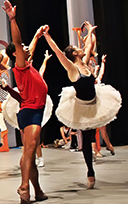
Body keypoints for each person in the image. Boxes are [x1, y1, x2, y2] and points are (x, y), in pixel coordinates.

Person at [42, 23, 121, 189]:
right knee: (86, 139)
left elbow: (89, 45)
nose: (82, 49)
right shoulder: (72, 68)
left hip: (95, 102)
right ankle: (90, 172)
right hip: (82, 107)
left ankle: (92, 166)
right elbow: (57, 52)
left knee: (91, 135)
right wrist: (47, 36)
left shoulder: (85, 63)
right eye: (78, 49)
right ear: (73, 54)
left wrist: (91, 31)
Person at [1, 1, 48, 204]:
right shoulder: (20, 65)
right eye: (21, 49)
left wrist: (37, 37)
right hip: (32, 112)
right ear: (15, 54)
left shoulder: (27, 67)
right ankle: (24, 186)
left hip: (27, 109)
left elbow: (21, 97)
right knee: (29, 151)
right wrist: (12, 19)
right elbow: (19, 43)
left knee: (28, 153)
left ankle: (37, 190)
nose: (26, 48)